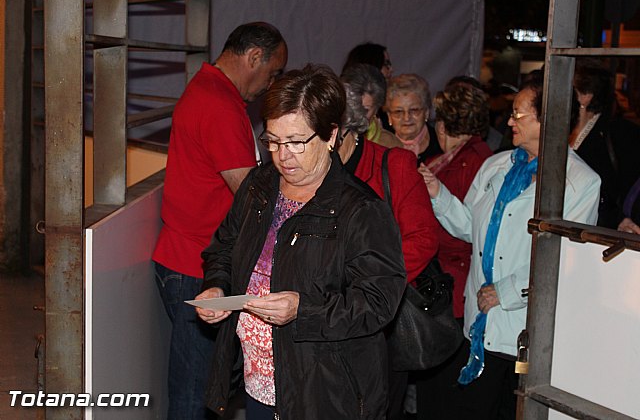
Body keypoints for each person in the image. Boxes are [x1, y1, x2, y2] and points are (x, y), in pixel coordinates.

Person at [195, 64, 406, 419]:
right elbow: (224, 246)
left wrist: (303, 311)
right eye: (273, 141)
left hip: (324, 393)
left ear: (330, 135)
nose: (282, 155)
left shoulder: (360, 209)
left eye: (295, 142)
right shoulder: (260, 185)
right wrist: (217, 287)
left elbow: (378, 302)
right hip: (258, 384)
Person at [420, 73, 600, 419]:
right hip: (480, 323)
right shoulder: (497, 165)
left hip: (524, 326)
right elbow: (469, 228)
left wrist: (506, 291)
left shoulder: (580, 183)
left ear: (548, 119)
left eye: (519, 114)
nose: (509, 121)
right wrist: (437, 194)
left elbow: (563, 259)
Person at [151, 22, 287, 419]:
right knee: (197, 391)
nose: (270, 83)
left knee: (199, 385)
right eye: (273, 72)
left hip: (187, 257)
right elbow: (251, 194)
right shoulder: (220, 104)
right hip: (198, 265)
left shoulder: (209, 89)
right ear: (254, 58)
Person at [339, 76, 439, 419]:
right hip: (322, 321)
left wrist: (369, 288)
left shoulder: (392, 163)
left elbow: (423, 240)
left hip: (380, 322)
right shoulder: (309, 173)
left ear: (349, 127)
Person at [414, 82, 493, 419]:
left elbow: (466, 230)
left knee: (444, 388)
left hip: (451, 287)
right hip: (454, 286)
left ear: (442, 124)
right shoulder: (477, 157)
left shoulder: (469, 163)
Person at [570, 63, 640, 229]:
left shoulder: (619, 134)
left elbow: (620, 189)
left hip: (602, 230)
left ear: (585, 96)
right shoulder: (557, 131)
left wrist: (617, 219)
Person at [385, 74, 443, 166]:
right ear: (389, 116)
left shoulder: (440, 145)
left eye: (414, 110)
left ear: (426, 112)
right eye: (398, 112)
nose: (407, 118)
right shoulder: (381, 147)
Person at [341, 64, 400, 148]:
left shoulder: (390, 145)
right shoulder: (327, 139)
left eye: (364, 110)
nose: (356, 115)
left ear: (376, 110)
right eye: (351, 107)